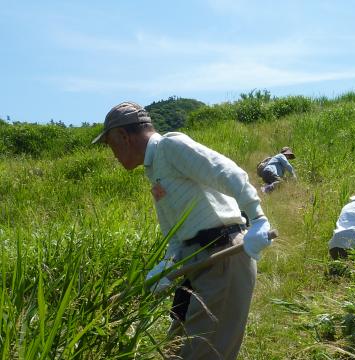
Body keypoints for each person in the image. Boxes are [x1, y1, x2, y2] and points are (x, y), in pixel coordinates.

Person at [92, 101, 272, 360]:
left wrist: (257, 218)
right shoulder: (155, 170)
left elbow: (228, 172)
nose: (113, 154)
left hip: (223, 256)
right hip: (198, 262)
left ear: (123, 136)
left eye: (111, 145)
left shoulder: (170, 147)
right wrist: (166, 266)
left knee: (205, 352)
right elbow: (176, 232)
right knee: (175, 350)